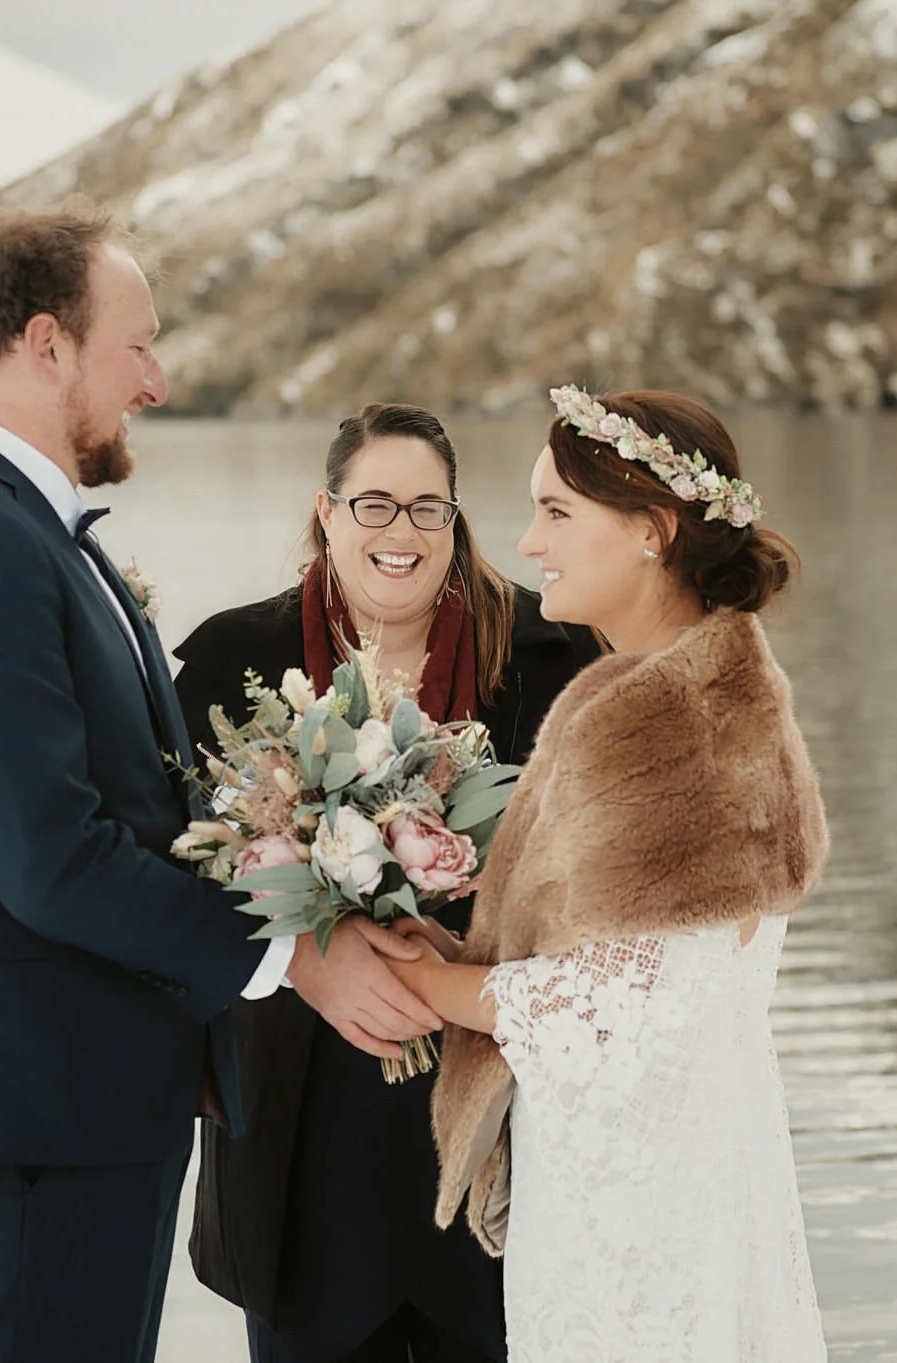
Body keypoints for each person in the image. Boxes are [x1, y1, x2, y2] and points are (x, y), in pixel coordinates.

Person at [0, 202, 441, 1363]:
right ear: (46, 344)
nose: (156, 383)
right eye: (138, 345)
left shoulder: (27, 533)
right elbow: (50, 855)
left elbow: (142, 810)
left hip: (85, 1102)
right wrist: (294, 957)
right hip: (32, 1111)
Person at [389, 388, 832, 1361]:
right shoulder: (721, 690)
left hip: (641, 1207)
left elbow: (616, 1006)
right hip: (692, 1161)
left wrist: (417, 979)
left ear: (650, 530)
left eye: (555, 511)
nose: (529, 542)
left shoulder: (663, 722)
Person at [172, 402, 603, 1363]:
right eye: (374, 504)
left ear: (454, 519)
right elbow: (177, 879)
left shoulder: (553, 656)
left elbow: (598, 882)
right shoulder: (230, 663)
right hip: (301, 1132)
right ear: (327, 512)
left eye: (426, 508)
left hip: (494, 1129)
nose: (400, 531)